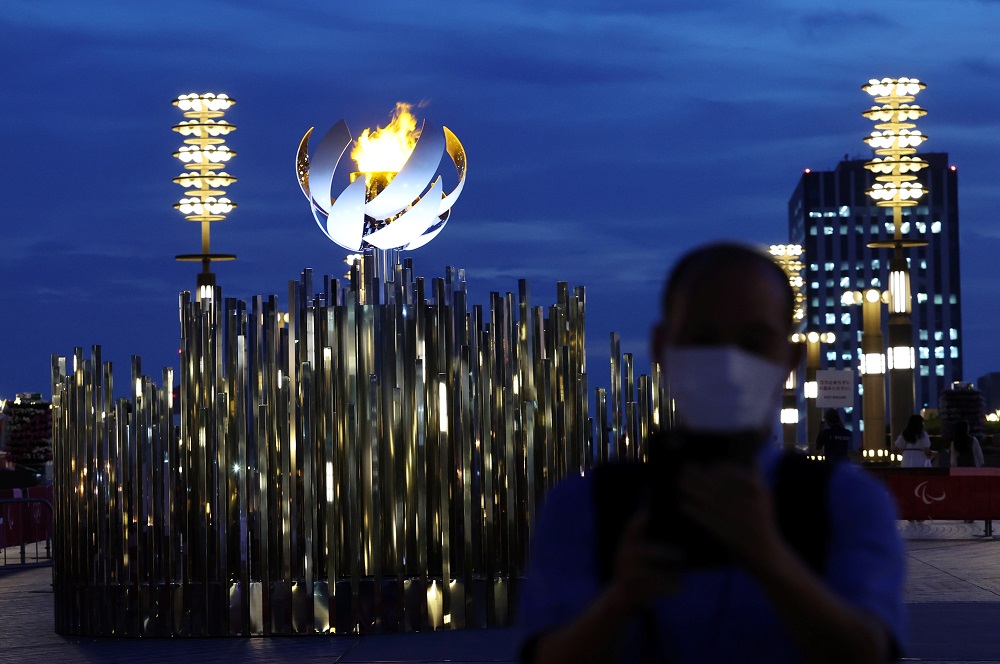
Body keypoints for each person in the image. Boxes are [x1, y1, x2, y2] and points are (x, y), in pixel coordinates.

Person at [516, 241, 905, 663]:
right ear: (664, 348)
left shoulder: (845, 500)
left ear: (790, 359)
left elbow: (873, 652)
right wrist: (620, 598)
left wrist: (769, 558)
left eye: (754, 342)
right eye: (703, 338)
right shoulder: (586, 504)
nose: (728, 362)